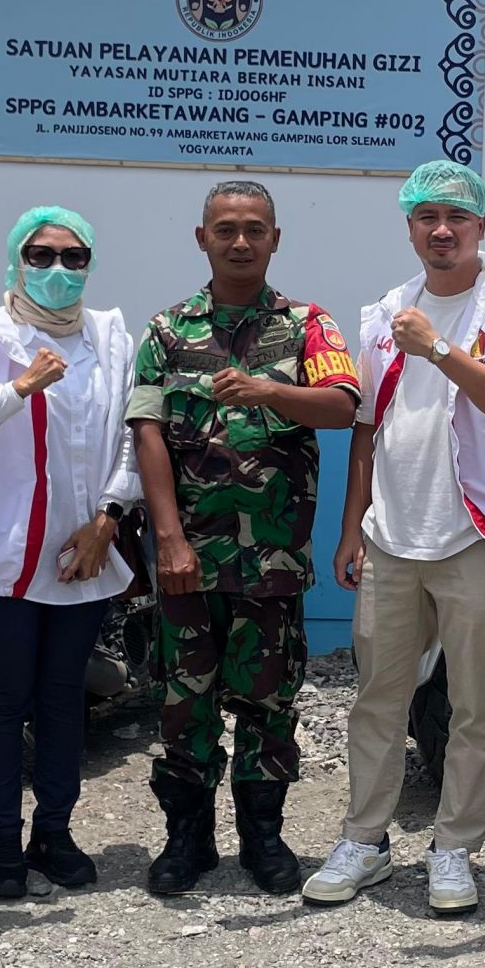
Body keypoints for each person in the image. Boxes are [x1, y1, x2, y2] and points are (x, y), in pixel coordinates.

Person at [307, 161, 485, 916]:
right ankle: (365, 840)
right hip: (391, 538)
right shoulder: (386, 312)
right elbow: (367, 426)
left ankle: (454, 848)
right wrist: (352, 527)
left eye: (456, 217)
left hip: (478, 538)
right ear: (410, 227)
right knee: (377, 700)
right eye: (426, 217)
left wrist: (440, 349)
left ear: (481, 226)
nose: (442, 230)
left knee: (475, 705)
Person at [129, 181, 361, 897]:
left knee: (269, 703)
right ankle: (187, 839)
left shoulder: (308, 325)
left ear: (275, 239)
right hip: (190, 560)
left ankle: (264, 837)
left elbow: (342, 406)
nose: (239, 241)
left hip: (272, 559)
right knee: (184, 701)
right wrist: (168, 538)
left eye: (254, 229)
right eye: (225, 229)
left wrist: (270, 392)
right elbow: (147, 432)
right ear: (202, 238)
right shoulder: (168, 331)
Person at [0, 207, 142, 902]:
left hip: (83, 555)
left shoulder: (109, 336)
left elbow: (130, 434)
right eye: (42, 255)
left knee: (62, 699)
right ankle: (0, 846)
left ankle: (54, 832)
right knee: (3, 700)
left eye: (73, 256)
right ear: (17, 262)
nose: (58, 269)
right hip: (6, 555)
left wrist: (109, 517)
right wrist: (17, 388)